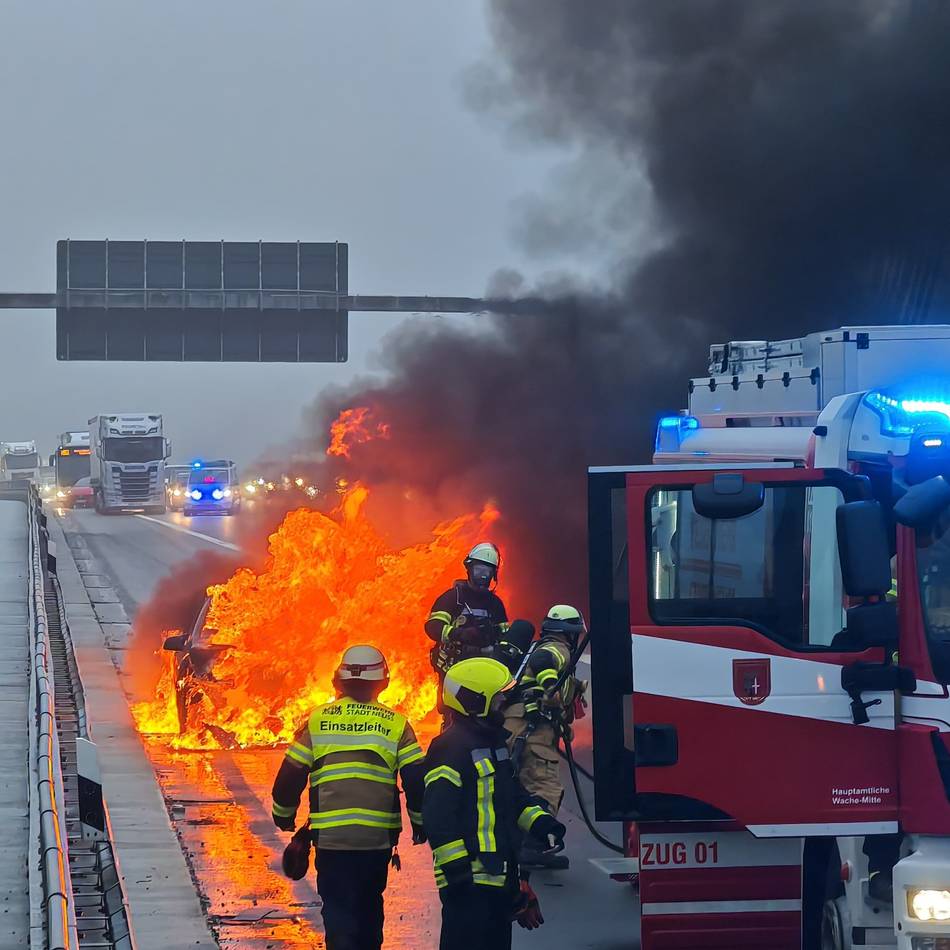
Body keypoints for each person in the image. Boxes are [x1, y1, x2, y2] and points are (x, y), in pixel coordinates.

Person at [270, 645, 425, 950]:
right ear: (383, 682)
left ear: (338, 681)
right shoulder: (396, 724)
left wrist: (284, 816)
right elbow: (417, 780)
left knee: (339, 912)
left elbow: (291, 774)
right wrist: (420, 823)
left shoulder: (318, 721)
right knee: (369, 908)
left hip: (332, 841)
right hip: (375, 840)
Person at [423, 656, 566, 950]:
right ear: (475, 701)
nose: (503, 704)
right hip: (467, 884)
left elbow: (512, 798)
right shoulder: (450, 748)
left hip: (499, 879)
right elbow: (439, 818)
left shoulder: (494, 744)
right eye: (498, 698)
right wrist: (458, 874)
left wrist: (542, 823)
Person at [504, 604, 587, 870]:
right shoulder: (556, 648)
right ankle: (534, 845)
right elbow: (543, 663)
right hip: (532, 730)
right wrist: (551, 685)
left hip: (523, 726)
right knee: (544, 788)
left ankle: (519, 842)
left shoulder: (543, 646)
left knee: (523, 787)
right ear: (568, 633)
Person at [425, 542, 509, 678]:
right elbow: (433, 626)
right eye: (479, 571)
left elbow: (505, 635)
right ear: (469, 569)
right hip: (451, 670)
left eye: (487, 572)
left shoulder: (495, 604)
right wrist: (460, 634)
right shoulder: (453, 597)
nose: (482, 576)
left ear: (493, 575)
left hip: (482, 669)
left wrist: (493, 633)